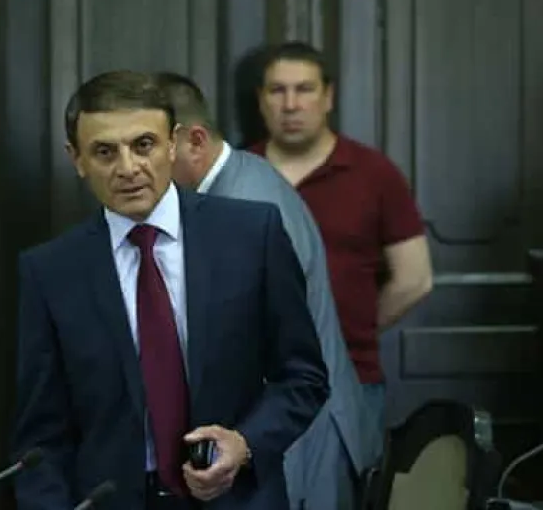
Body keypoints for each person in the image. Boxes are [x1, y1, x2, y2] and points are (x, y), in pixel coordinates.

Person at [11, 70, 329, 510]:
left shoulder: (252, 234)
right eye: (105, 152)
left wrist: (245, 443)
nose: (128, 168)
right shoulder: (50, 271)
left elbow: (303, 377)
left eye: (143, 145)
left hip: (237, 498)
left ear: (173, 144)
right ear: (77, 159)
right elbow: (41, 438)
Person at [157, 71, 380, 509]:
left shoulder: (243, 204)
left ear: (193, 141)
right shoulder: (245, 176)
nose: (139, 168)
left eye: (152, 148)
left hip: (301, 438)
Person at [248, 41, 433, 432]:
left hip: (351, 379)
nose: (291, 105)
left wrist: (345, 332)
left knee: (353, 473)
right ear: (261, 99)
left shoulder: (374, 174)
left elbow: (414, 279)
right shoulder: (238, 174)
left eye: (304, 89)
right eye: (278, 90)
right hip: (255, 383)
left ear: (328, 96)